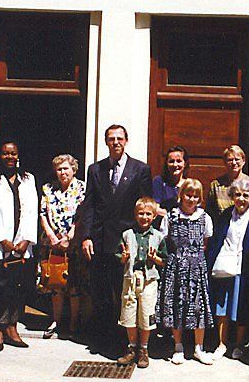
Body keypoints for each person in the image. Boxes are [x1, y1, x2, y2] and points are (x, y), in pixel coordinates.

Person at [74, 124, 152, 352]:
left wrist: (141, 242)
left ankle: (124, 340)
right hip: (99, 241)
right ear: (106, 142)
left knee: (125, 292)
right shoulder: (95, 169)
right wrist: (86, 236)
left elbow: (145, 207)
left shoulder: (140, 169)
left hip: (127, 243)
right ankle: (103, 336)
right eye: (111, 138)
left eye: (119, 138)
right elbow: (89, 205)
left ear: (126, 140)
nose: (115, 142)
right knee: (101, 293)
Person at [0, 140, 38, 351]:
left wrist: (25, 240)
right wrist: (2, 241)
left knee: (16, 288)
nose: (9, 157)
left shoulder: (28, 179)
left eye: (13, 153)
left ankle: (12, 327)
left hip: (21, 245)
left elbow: (32, 210)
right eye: (5, 154)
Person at [206, 178, 249, 360]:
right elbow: (217, 240)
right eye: (238, 195)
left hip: (246, 269)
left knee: (242, 308)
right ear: (232, 196)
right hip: (224, 266)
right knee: (222, 307)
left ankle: (239, 345)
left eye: (245, 195)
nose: (241, 199)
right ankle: (221, 344)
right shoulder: (226, 214)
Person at [157, 179, 215, 365]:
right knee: (177, 305)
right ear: (181, 195)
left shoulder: (204, 218)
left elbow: (205, 243)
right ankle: (178, 346)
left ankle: (199, 347)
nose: (191, 199)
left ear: (200, 198)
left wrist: (194, 258)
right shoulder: (171, 216)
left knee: (198, 307)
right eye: (188, 195)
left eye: (195, 196)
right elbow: (164, 241)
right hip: (175, 267)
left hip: (196, 266)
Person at [115, 197, 168, 368]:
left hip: (149, 280)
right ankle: (132, 348)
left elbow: (164, 260)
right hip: (130, 278)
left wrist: (155, 259)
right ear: (135, 215)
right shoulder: (127, 234)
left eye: (148, 214)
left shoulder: (158, 236)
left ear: (154, 216)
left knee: (146, 315)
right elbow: (120, 257)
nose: (144, 217)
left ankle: (144, 349)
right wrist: (123, 258)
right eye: (141, 214)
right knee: (129, 313)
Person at [39, 154, 86, 340]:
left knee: (73, 284)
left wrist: (69, 237)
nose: (62, 172)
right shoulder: (48, 188)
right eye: (59, 169)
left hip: (72, 244)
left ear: (73, 169)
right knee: (56, 283)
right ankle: (57, 321)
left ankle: (74, 322)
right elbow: (42, 213)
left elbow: (82, 215)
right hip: (53, 244)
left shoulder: (82, 188)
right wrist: (51, 236)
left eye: (66, 168)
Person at [205, 145, 249, 220]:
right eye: (230, 160)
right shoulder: (215, 185)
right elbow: (209, 213)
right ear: (225, 162)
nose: (234, 163)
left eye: (237, 159)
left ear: (243, 161)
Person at [152, 145, 188, 214]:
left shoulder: (188, 185)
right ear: (167, 164)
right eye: (171, 161)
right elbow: (155, 208)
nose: (175, 165)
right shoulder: (159, 182)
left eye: (179, 161)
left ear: (185, 163)